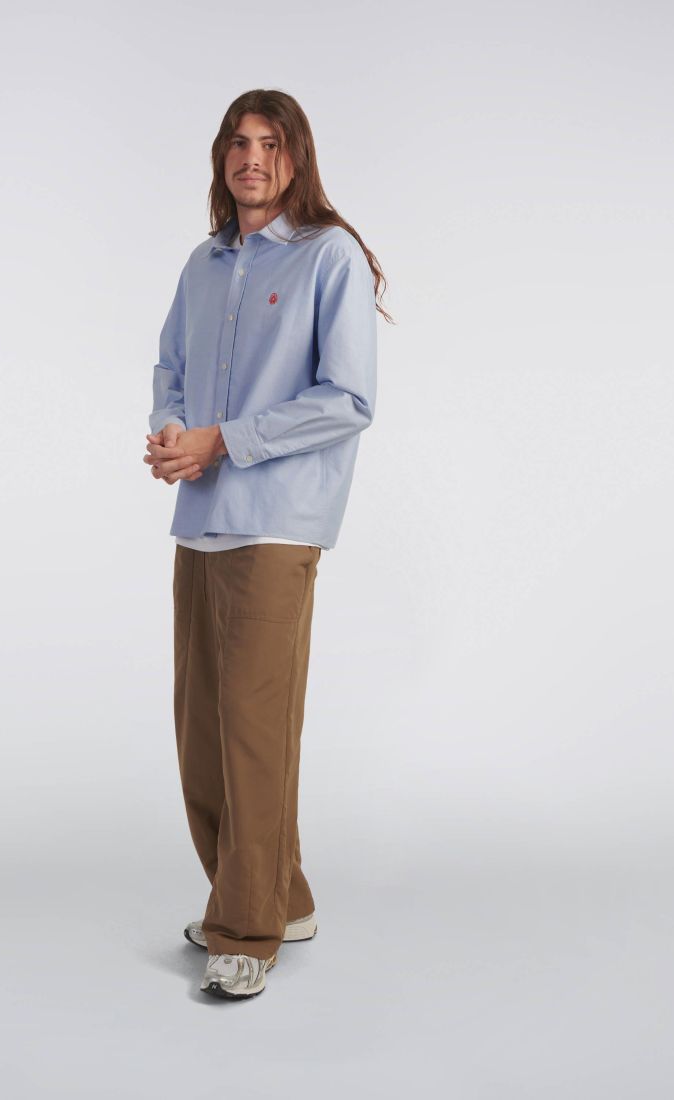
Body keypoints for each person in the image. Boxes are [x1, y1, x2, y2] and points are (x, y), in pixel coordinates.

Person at [144, 88, 392, 1000]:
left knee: (253, 728)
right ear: (222, 157)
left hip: (279, 520)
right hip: (203, 520)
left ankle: (246, 928)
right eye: (240, 143)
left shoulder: (329, 255)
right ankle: (277, 896)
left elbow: (349, 399)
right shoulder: (204, 263)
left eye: (272, 143)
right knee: (202, 734)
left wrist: (227, 441)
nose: (253, 158)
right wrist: (175, 430)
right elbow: (171, 366)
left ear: (297, 157)